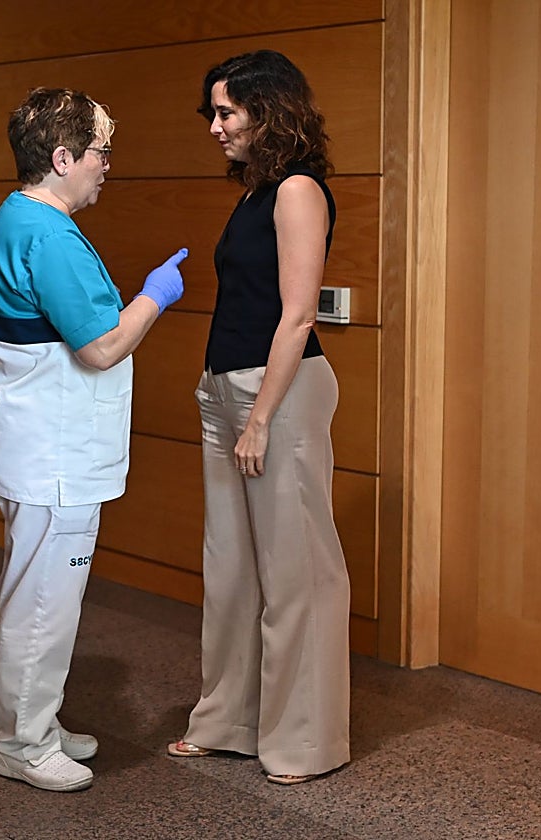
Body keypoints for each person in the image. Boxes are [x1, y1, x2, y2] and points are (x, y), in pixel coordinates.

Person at [0, 87, 187, 793]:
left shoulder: (17, 218)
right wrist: (154, 296)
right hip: (53, 456)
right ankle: (24, 744)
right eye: (101, 152)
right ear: (63, 158)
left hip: (33, 444)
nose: (106, 166)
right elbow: (101, 347)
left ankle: (36, 720)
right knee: (42, 604)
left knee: (35, 596)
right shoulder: (50, 237)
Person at [165, 50, 351, 785]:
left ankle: (304, 742)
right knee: (232, 570)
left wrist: (261, 417)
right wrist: (219, 394)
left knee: (297, 571)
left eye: (226, 112)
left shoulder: (298, 190)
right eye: (212, 113)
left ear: (269, 111)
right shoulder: (254, 193)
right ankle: (228, 722)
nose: (215, 127)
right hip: (226, 389)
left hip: (279, 396)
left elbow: (298, 315)